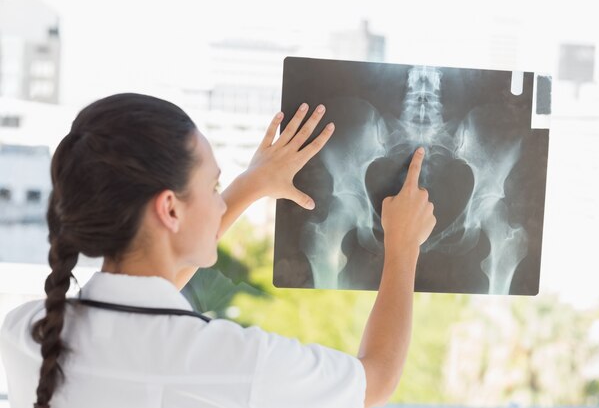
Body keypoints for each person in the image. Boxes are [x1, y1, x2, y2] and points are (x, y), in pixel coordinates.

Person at [0, 93, 436, 408]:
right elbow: (376, 380)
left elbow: (146, 306)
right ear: (169, 208)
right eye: (212, 187)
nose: (220, 200)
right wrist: (403, 247)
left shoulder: (27, 333)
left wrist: (250, 186)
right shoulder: (236, 360)